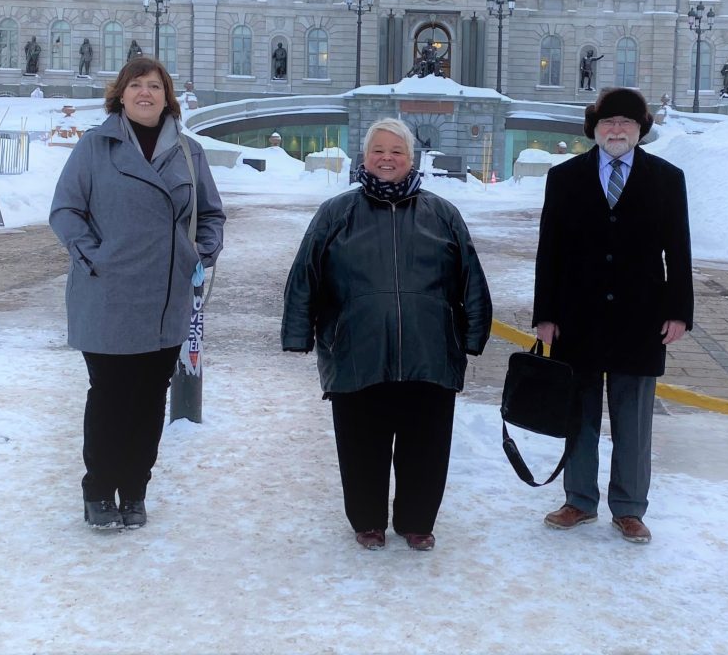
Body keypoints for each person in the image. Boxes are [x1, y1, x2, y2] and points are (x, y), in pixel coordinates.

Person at [282, 118, 492, 552]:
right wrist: (298, 331)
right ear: (365, 157)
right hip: (357, 349)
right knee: (361, 443)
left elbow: (470, 276)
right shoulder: (336, 213)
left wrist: (473, 334)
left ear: (411, 159)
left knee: (426, 444)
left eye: (396, 151)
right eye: (378, 150)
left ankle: (417, 522)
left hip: (430, 350)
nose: (386, 158)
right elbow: (306, 273)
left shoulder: (442, 214)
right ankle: (368, 520)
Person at [50, 57, 226, 530]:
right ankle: (98, 491)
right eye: (136, 86)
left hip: (165, 296)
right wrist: (95, 258)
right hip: (106, 294)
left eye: (155, 86)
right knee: (109, 394)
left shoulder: (189, 152)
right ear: (120, 95)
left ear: (168, 97)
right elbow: (65, 211)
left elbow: (210, 214)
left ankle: (134, 491)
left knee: (150, 398)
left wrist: (201, 253)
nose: (145, 93)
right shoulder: (94, 147)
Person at [533, 87, 693, 544]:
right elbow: (550, 251)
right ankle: (579, 500)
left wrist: (680, 311)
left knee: (633, 419)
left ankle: (628, 507)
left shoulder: (666, 178)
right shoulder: (564, 178)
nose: (616, 130)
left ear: (640, 129)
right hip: (576, 316)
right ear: (595, 130)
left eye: (625, 123)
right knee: (578, 414)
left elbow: (678, 251)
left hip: (640, 319)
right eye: (608, 123)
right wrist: (545, 313)